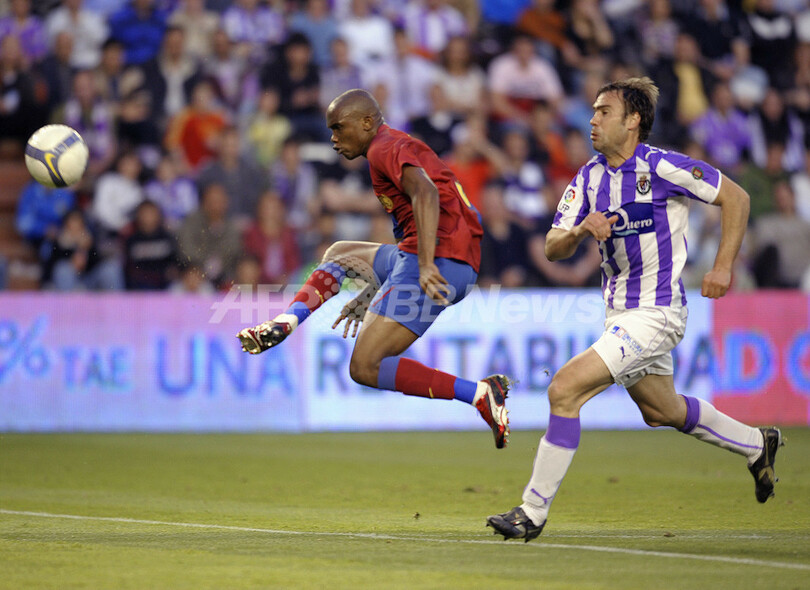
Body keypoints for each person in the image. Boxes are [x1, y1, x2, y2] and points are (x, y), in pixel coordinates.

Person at [486, 77, 784, 542]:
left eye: (604, 112)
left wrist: (723, 266)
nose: (592, 120)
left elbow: (736, 198)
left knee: (564, 390)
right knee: (661, 410)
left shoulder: (663, 166)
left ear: (633, 121)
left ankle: (532, 511)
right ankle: (756, 443)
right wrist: (580, 231)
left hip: (657, 311)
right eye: (593, 111)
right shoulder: (588, 177)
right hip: (619, 314)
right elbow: (551, 247)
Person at [237, 88, 511, 448]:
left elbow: (426, 194)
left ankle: (479, 393)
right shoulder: (390, 146)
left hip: (438, 260)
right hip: (437, 258)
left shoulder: (384, 148)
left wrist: (426, 264)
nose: (333, 139)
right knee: (339, 254)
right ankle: (285, 322)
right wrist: (375, 289)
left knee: (365, 366)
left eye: (339, 128)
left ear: (367, 122)